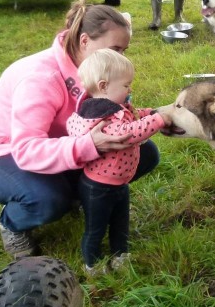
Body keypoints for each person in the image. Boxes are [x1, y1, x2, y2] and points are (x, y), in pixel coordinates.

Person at [0, 0, 165, 259]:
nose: (120, 58)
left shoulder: (96, 70)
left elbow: (117, 115)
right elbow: (26, 149)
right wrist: (89, 145)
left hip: (60, 142)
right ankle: (12, 222)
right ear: (84, 41)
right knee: (48, 200)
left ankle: (84, 196)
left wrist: (159, 116)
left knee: (146, 154)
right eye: (115, 50)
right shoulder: (41, 78)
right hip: (1, 153)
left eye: (123, 51)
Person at [67, 49, 171, 274]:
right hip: (98, 187)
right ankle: (92, 264)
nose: (130, 89)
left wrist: (151, 112)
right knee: (95, 228)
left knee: (120, 222)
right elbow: (129, 132)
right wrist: (159, 120)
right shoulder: (97, 117)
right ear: (104, 86)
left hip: (119, 183)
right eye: (126, 85)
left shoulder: (116, 108)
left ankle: (120, 255)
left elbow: (134, 116)